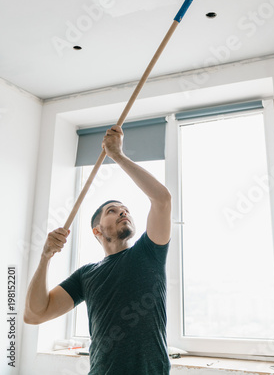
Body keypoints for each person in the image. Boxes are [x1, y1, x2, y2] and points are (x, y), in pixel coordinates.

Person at [24, 125, 172, 374]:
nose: (123, 211)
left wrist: (118, 156)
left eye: (125, 209)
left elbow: (162, 200)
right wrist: (45, 256)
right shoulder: (86, 275)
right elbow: (34, 314)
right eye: (112, 210)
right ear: (97, 231)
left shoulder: (149, 252)